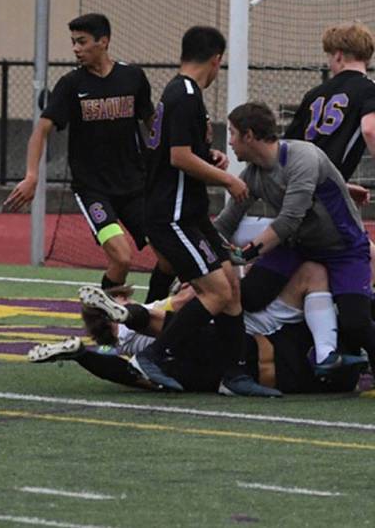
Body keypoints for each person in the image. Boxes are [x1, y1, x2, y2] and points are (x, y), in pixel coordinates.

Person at [132, 26, 278, 396]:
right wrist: (226, 179)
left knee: (230, 284)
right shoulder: (183, 95)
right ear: (216, 60)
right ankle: (154, 355)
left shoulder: (182, 93)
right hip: (174, 215)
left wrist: (209, 157)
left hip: (188, 212)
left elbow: (180, 151)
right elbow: (177, 157)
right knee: (214, 291)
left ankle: (234, 374)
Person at [3, 13, 175, 303]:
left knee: (170, 258)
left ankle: (149, 319)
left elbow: (152, 123)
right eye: (73, 42)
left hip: (136, 187)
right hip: (95, 191)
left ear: (103, 41)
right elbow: (41, 130)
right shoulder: (71, 85)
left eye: (82, 42)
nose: (76, 48)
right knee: (121, 257)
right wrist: (32, 176)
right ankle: (106, 322)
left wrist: (184, 149)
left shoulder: (132, 77)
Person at [213, 101, 375, 376]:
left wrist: (244, 255)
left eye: (232, 133)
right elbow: (225, 223)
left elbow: (289, 220)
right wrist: (202, 258)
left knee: (356, 322)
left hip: (343, 248)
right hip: (299, 246)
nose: (229, 141)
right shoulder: (252, 175)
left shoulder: (302, 157)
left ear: (249, 135)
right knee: (249, 297)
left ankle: (348, 354)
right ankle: (295, 347)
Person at [29, 265, 366, 395]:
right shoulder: (337, 360)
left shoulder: (340, 368)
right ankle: (85, 350)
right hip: (238, 358)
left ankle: (82, 352)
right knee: (166, 353)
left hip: (229, 365)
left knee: (155, 373)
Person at [284, 20, 375, 189]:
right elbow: (370, 129)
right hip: (326, 187)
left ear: (338, 56)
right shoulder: (369, 89)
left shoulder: (314, 94)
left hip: (299, 181)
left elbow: (289, 143)